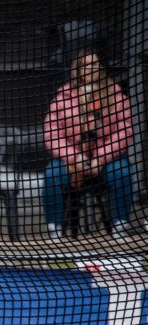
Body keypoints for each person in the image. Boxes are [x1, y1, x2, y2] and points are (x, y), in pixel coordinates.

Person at [42, 49, 135, 240]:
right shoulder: (63, 98)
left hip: (106, 160)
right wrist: (75, 157)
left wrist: (101, 157)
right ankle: (55, 230)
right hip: (71, 160)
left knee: (122, 172)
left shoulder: (116, 95)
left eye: (95, 64)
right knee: (52, 174)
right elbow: (51, 135)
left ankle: (120, 225)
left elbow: (125, 131)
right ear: (78, 70)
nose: (91, 68)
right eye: (86, 65)